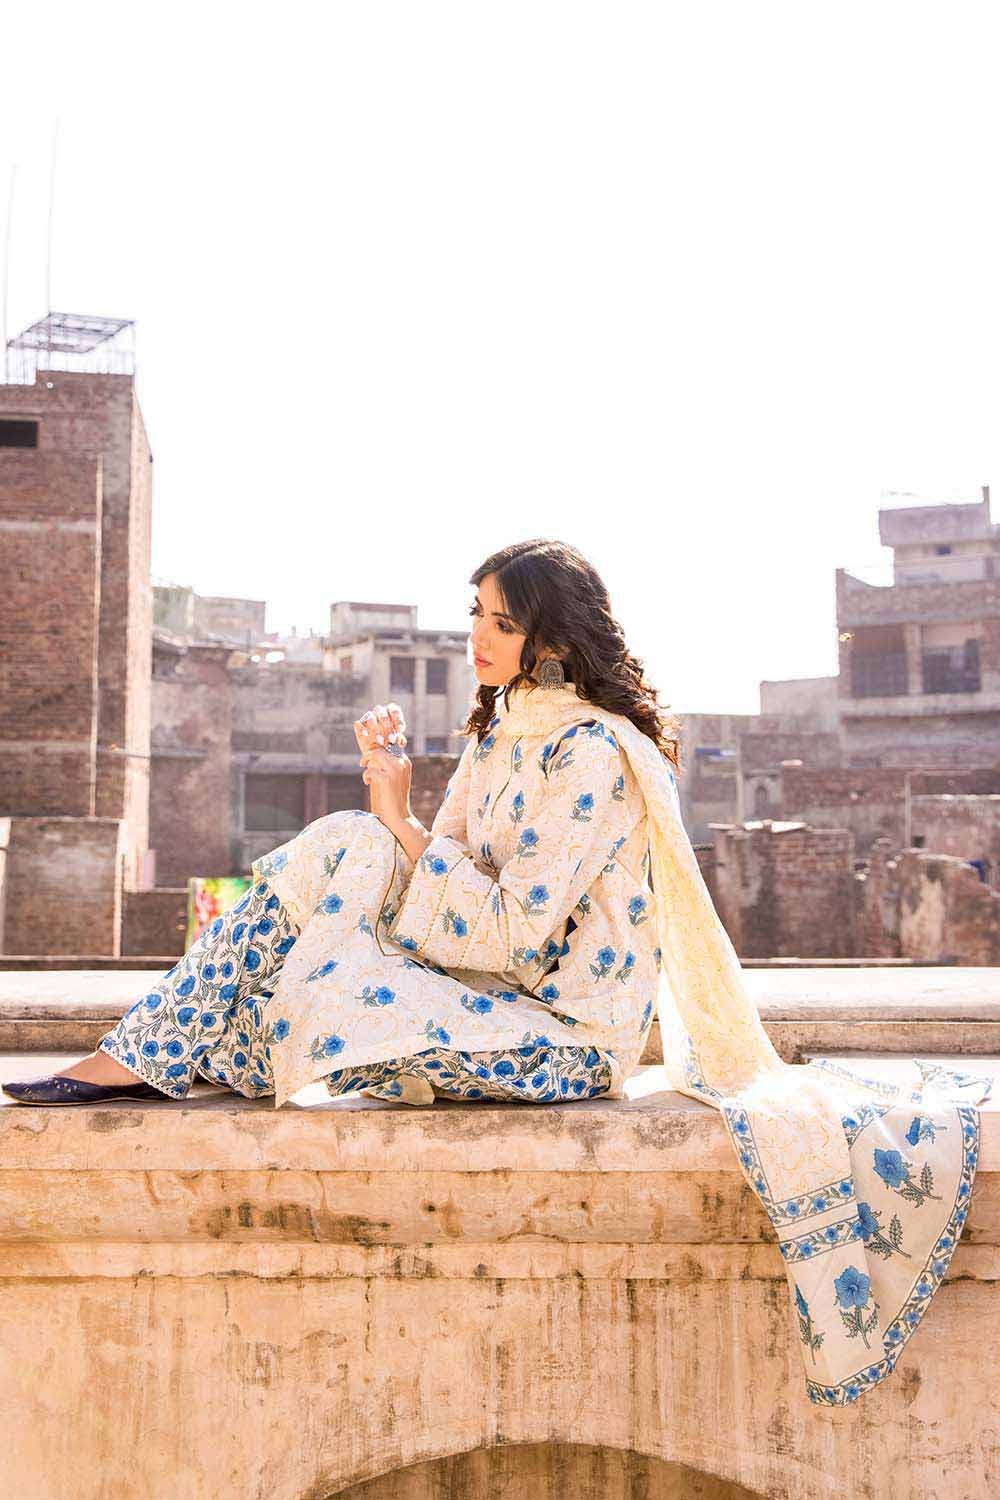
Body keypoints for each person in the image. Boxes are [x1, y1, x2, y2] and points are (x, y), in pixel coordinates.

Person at [3, 539, 676, 1111]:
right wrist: (387, 801)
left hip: (559, 1038)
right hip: (480, 993)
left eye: (503, 624)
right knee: (351, 840)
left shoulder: (591, 751)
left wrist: (401, 817)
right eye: (477, 613)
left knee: (301, 1015)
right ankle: (145, 1053)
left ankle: (155, 1054)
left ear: (556, 639)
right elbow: (436, 878)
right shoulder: (501, 730)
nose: (478, 636)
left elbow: (509, 929)